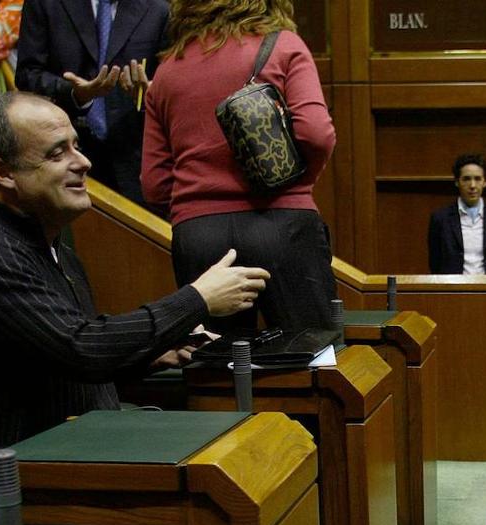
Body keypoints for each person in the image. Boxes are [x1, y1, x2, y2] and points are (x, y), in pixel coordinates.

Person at [0, 92, 270, 475]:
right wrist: (197, 300)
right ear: (4, 173)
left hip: (71, 451)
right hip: (11, 480)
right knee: (229, 484)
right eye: (57, 153)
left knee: (250, 452)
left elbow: (55, 358)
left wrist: (152, 354)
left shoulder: (50, 244)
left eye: (76, 146)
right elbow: (82, 348)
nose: (83, 162)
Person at [141, 0, 338, 337]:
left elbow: (154, 184)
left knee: (214, 366)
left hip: (198, 236)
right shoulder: (283, 46)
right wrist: (296, 184)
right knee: (310, 359)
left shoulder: (167, 70)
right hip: (282, 223)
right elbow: (316, 135)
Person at [15, 0, 168, 205]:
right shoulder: (45, 3)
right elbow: (27, 74)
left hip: (133, 160)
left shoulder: (158, 9)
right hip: (59, 157)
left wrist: (150, 93)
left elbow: (170, 84)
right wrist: (74, 93)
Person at [428, 153, 486, 274]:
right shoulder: (440, 218)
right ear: (457, 182)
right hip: (452, 288)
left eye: (477, 179)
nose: (472, 185)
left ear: (485, 182)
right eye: (466, 179)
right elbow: (435, 261)